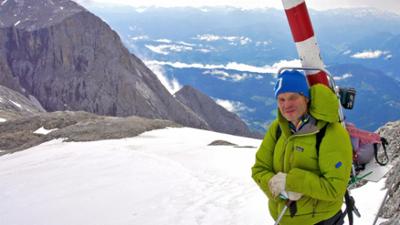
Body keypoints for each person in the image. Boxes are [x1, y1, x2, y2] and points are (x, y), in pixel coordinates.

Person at [251, 70, 353, 225]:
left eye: (293, 97)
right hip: (282, 218)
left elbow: (334, 188)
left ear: (306, 98)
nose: (286, 105)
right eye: (281, 99)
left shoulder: (331, 132)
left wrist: (292, 182)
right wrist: (280, 190)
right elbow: (259, 169)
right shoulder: (278, 128)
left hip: (321, 220)